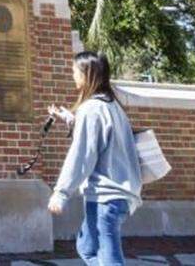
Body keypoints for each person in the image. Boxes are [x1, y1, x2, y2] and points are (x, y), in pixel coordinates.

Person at [47, 51, 143, 266]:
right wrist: (70, 119)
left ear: (86, 74)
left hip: (106, 197)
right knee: (87, 247)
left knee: (108, 259)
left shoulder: (91, 109)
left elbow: (82, 155)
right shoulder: (111, 105)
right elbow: (100, 136)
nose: (72, 75)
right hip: (120, 195)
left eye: (74, 71)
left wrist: (61, 193)